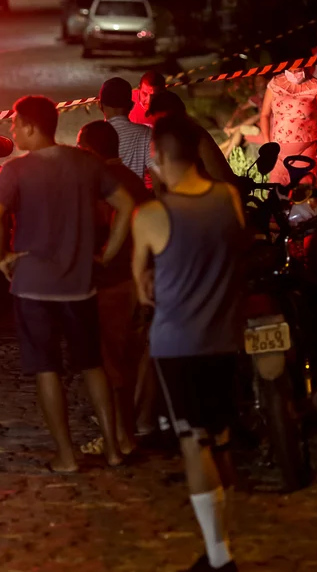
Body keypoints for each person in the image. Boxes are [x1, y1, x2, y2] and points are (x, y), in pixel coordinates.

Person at [0, 96, 135, 472]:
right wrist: (107, 253)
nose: (12, 130)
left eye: (15, 124)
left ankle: (67, 456)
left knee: (46, 368)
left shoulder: (15, 172)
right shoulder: (86, 162)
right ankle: (115, 449)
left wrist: (2, 258)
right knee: (92, 364)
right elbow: (128, 206)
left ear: (33, 127)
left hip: (34, 285)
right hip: (80, 283)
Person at [132, 116, 245, 572]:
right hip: (225, 337)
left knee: (193, 442)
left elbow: (142, 286)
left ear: (156, 157)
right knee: (219, 440)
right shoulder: (229, 199)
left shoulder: (153, 215)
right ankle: (222, 543)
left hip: (178, 344)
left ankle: (219, 558)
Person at [76, 120, 152, 458]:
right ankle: (129, 432)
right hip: (141, 280)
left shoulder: (102, 186)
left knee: (110, 366)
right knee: (128, 362)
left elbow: (99, 231)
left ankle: (119, 437)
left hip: (113, 282)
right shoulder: (135, 182)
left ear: (88, 150)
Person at [259, 67, 317, 188]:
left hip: (307, 150)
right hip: (278, 153)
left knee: (304, 193)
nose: (295, 74)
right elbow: (264, 115)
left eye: (298, 70)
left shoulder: (315, 87)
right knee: (276, 194)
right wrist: (266, 144)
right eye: (292, 71)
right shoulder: (275, 84)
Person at [147, 91, 239, 188]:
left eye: (161, 122)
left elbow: (217, 174)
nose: (158, 128)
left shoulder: (192, 136)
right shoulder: (187, 134)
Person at [99, 77, 157, 189]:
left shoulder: (89, 135)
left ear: (99, 105)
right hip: (136, 203)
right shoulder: (146, 134)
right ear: (131, 106)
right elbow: (157, 179)